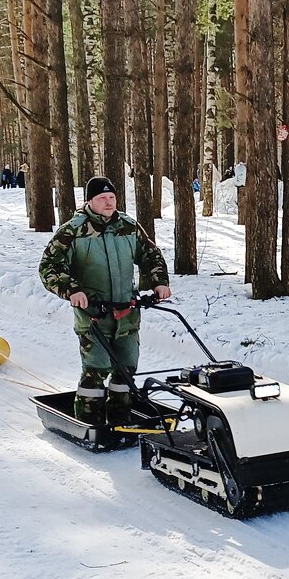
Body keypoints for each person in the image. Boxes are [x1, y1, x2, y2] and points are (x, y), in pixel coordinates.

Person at [39, 176, 172, 425]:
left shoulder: (128, 226)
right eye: (102, 198)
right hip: (93, 314)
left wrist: (159, 282)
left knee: (126, 367)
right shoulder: (74, 230)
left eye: (112, 198)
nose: (109, 202)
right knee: (96, 368)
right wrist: (71, 290)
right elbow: (50, 267)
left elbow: (151, 255)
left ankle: (121, 419)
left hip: (126, 312)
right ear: (90, 200)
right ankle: (90, 423)